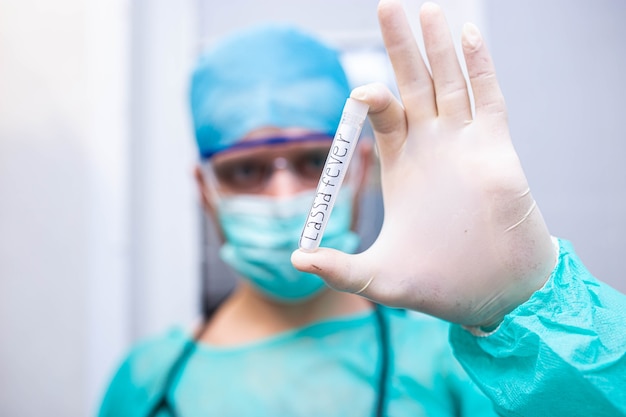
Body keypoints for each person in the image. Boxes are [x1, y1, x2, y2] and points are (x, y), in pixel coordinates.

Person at [98, 1, 626, 416]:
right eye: (246, 170)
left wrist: (522, 309)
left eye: (314, 161)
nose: (286, 198)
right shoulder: (149, 381)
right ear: (204, 188)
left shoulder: (462, 360)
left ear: (360, 165)